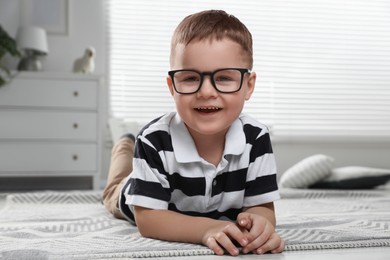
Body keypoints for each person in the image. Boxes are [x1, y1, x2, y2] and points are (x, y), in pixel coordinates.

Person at [103, 9, 285, 256]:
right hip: (130, 193)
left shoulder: (256, 138)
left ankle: (125, 144)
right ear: (172, 87)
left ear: (248, 86)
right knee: (114, 186)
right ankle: (124, 145)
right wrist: (207, 229)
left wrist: (259, 226)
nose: (207, 92)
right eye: (190, 78)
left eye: (224, 78)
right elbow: (148, 220)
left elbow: (261, 207)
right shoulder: (154, 140)